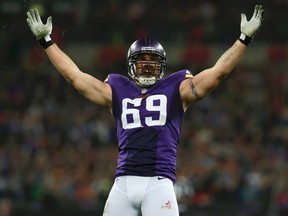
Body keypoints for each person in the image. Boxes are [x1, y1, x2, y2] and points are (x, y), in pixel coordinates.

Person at [26, 5, 264, 216]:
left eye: (153, 61)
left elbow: (218, 72)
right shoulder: (117, 89)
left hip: (158, 182)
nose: (148, 66)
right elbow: (74, 77)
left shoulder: (176, 88)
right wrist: (47, 42)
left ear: (161, 66)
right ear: (132, 65)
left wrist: (243, 39)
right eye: (143, 61)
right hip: (123, 182)